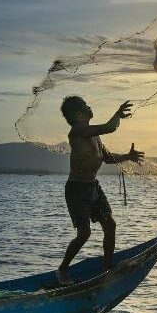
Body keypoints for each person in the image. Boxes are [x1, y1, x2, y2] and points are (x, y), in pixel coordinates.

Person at [56, 96, 144, 286]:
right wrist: (118, 114)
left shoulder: (95, 135)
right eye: (86, 106)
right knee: (84, 233)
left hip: (93, 187)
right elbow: (110, 127)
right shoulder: (78, 131)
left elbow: (108, 158)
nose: (90, 107)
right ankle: (63, 270)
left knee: (110, 225)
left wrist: (128, 156)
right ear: (78, 114)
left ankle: (106, 269)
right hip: (76, 190)